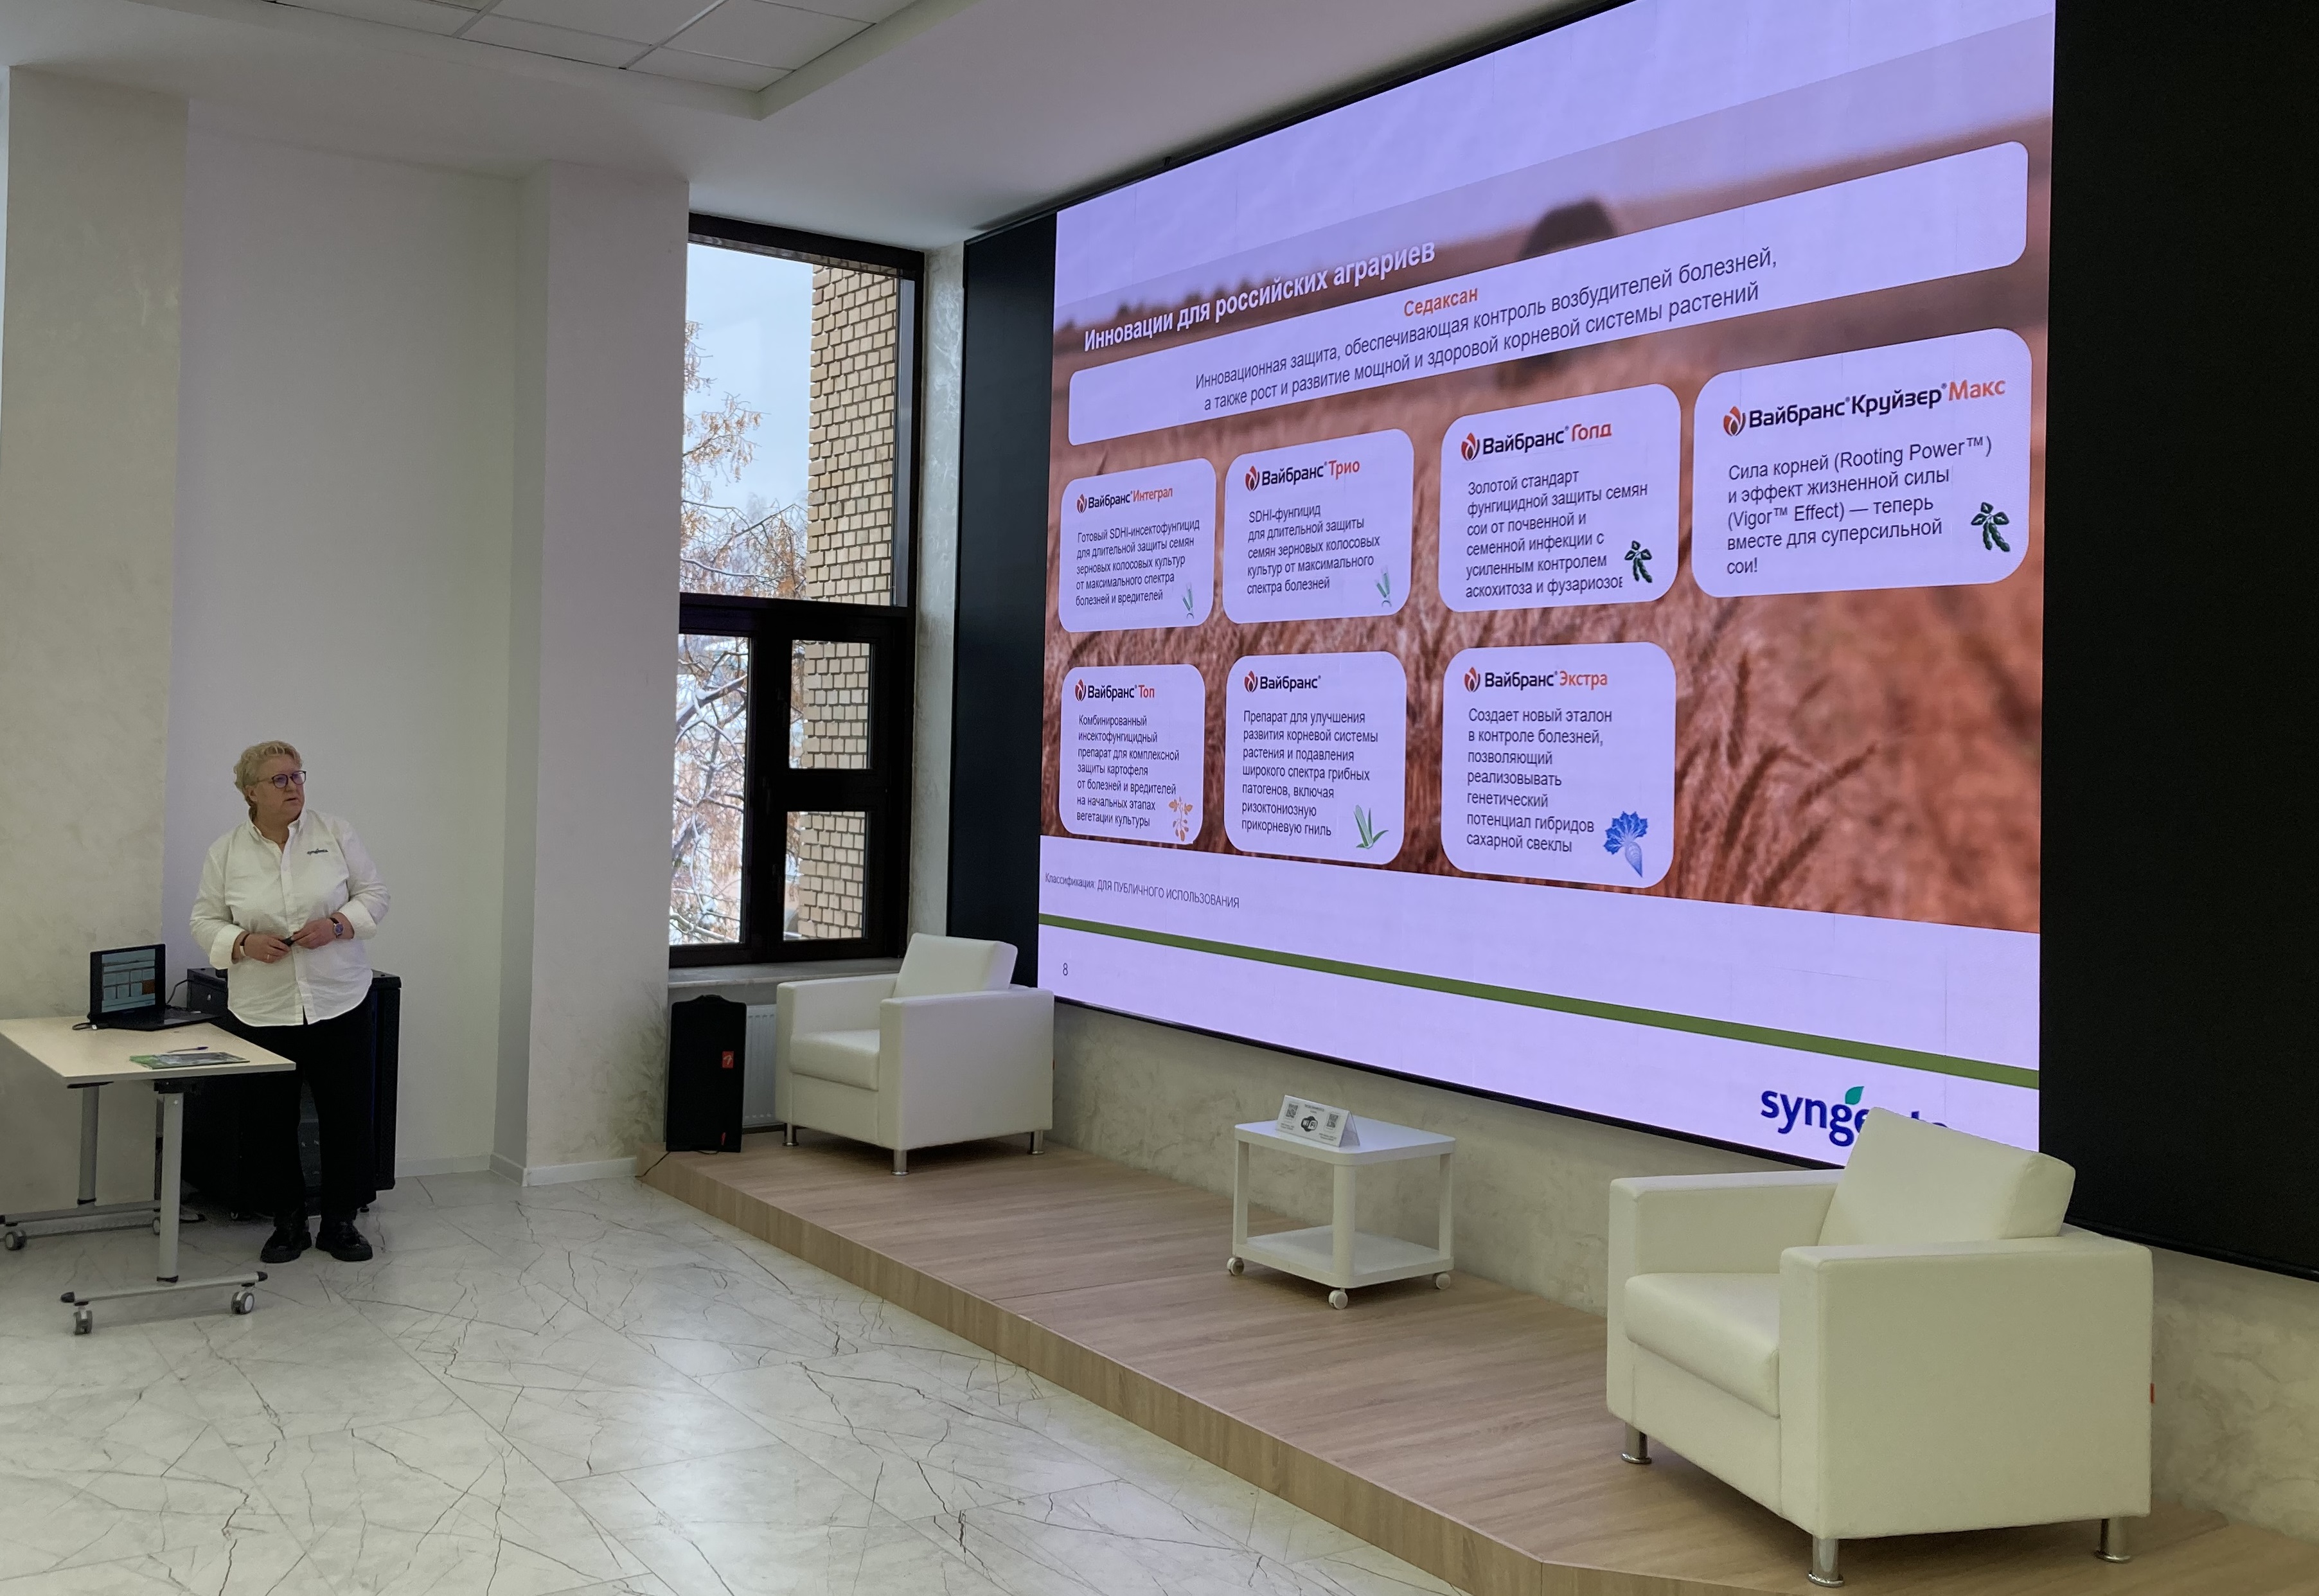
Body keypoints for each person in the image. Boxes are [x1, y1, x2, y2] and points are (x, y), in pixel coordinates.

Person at [190, 741, 390, 1264]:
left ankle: (341, 1222)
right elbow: (204, 920)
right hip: (264, 1008)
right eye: (279, 780)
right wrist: (242, 942)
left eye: (298, 776)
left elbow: (375, 895)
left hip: (339, 1000)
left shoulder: (335, 833)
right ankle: (288, 1222)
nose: (294, 787)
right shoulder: (226, 852)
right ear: (250, 792)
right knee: (269, 1122)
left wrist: (338, 925)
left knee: (347, 1115)